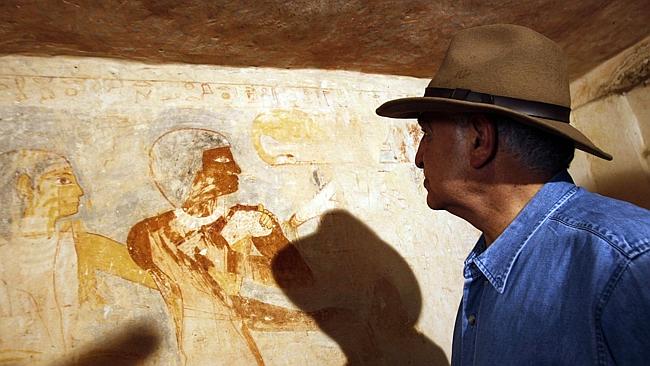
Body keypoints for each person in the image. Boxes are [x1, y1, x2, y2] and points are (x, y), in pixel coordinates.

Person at [376, 24, 650, 365]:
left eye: (428, 134)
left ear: (479, 140)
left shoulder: (628, 262)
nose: (418, 158)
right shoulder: (485, 274)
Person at [127, 128, 315, 366]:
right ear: (190, 172)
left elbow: (298, 278)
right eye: (224, 161)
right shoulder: (152, 235)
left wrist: (269, 234)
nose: (236, 169)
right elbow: (215, 300)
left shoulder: (241, 220)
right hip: (207, 350)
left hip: (236, 346)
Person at [0, 149, 154, 364]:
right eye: (63, 180)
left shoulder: (83, 246)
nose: (80, 191)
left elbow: (163, 277)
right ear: (25, 186)